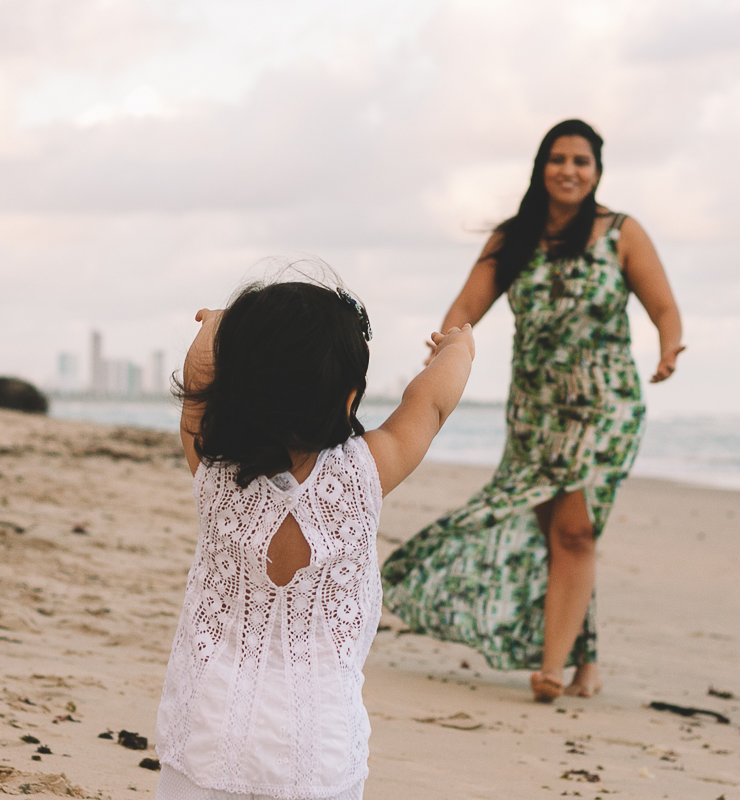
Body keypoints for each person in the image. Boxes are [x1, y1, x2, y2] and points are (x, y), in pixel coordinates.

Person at [381, 119, 684, 703]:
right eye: (558, 158)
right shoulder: (513, 239)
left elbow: (663, 306)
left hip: (606, 407)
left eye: (581, 161)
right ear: (541, 167)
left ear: (596, 172)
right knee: (566, 536)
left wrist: (670, 347)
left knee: (575, 529)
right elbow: (465, 309)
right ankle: (585, 662)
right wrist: (447, 346)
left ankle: (549, 669)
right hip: (536, 411)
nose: (569, 170)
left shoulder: (621, 233)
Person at [154, 276, 474, 800]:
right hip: (317, 749)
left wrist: (214, 328)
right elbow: (431, 402)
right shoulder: (367, 471)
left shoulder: (211, 466)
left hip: (206, 732)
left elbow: (197, 380)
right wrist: (457, 350)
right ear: (349, 397)